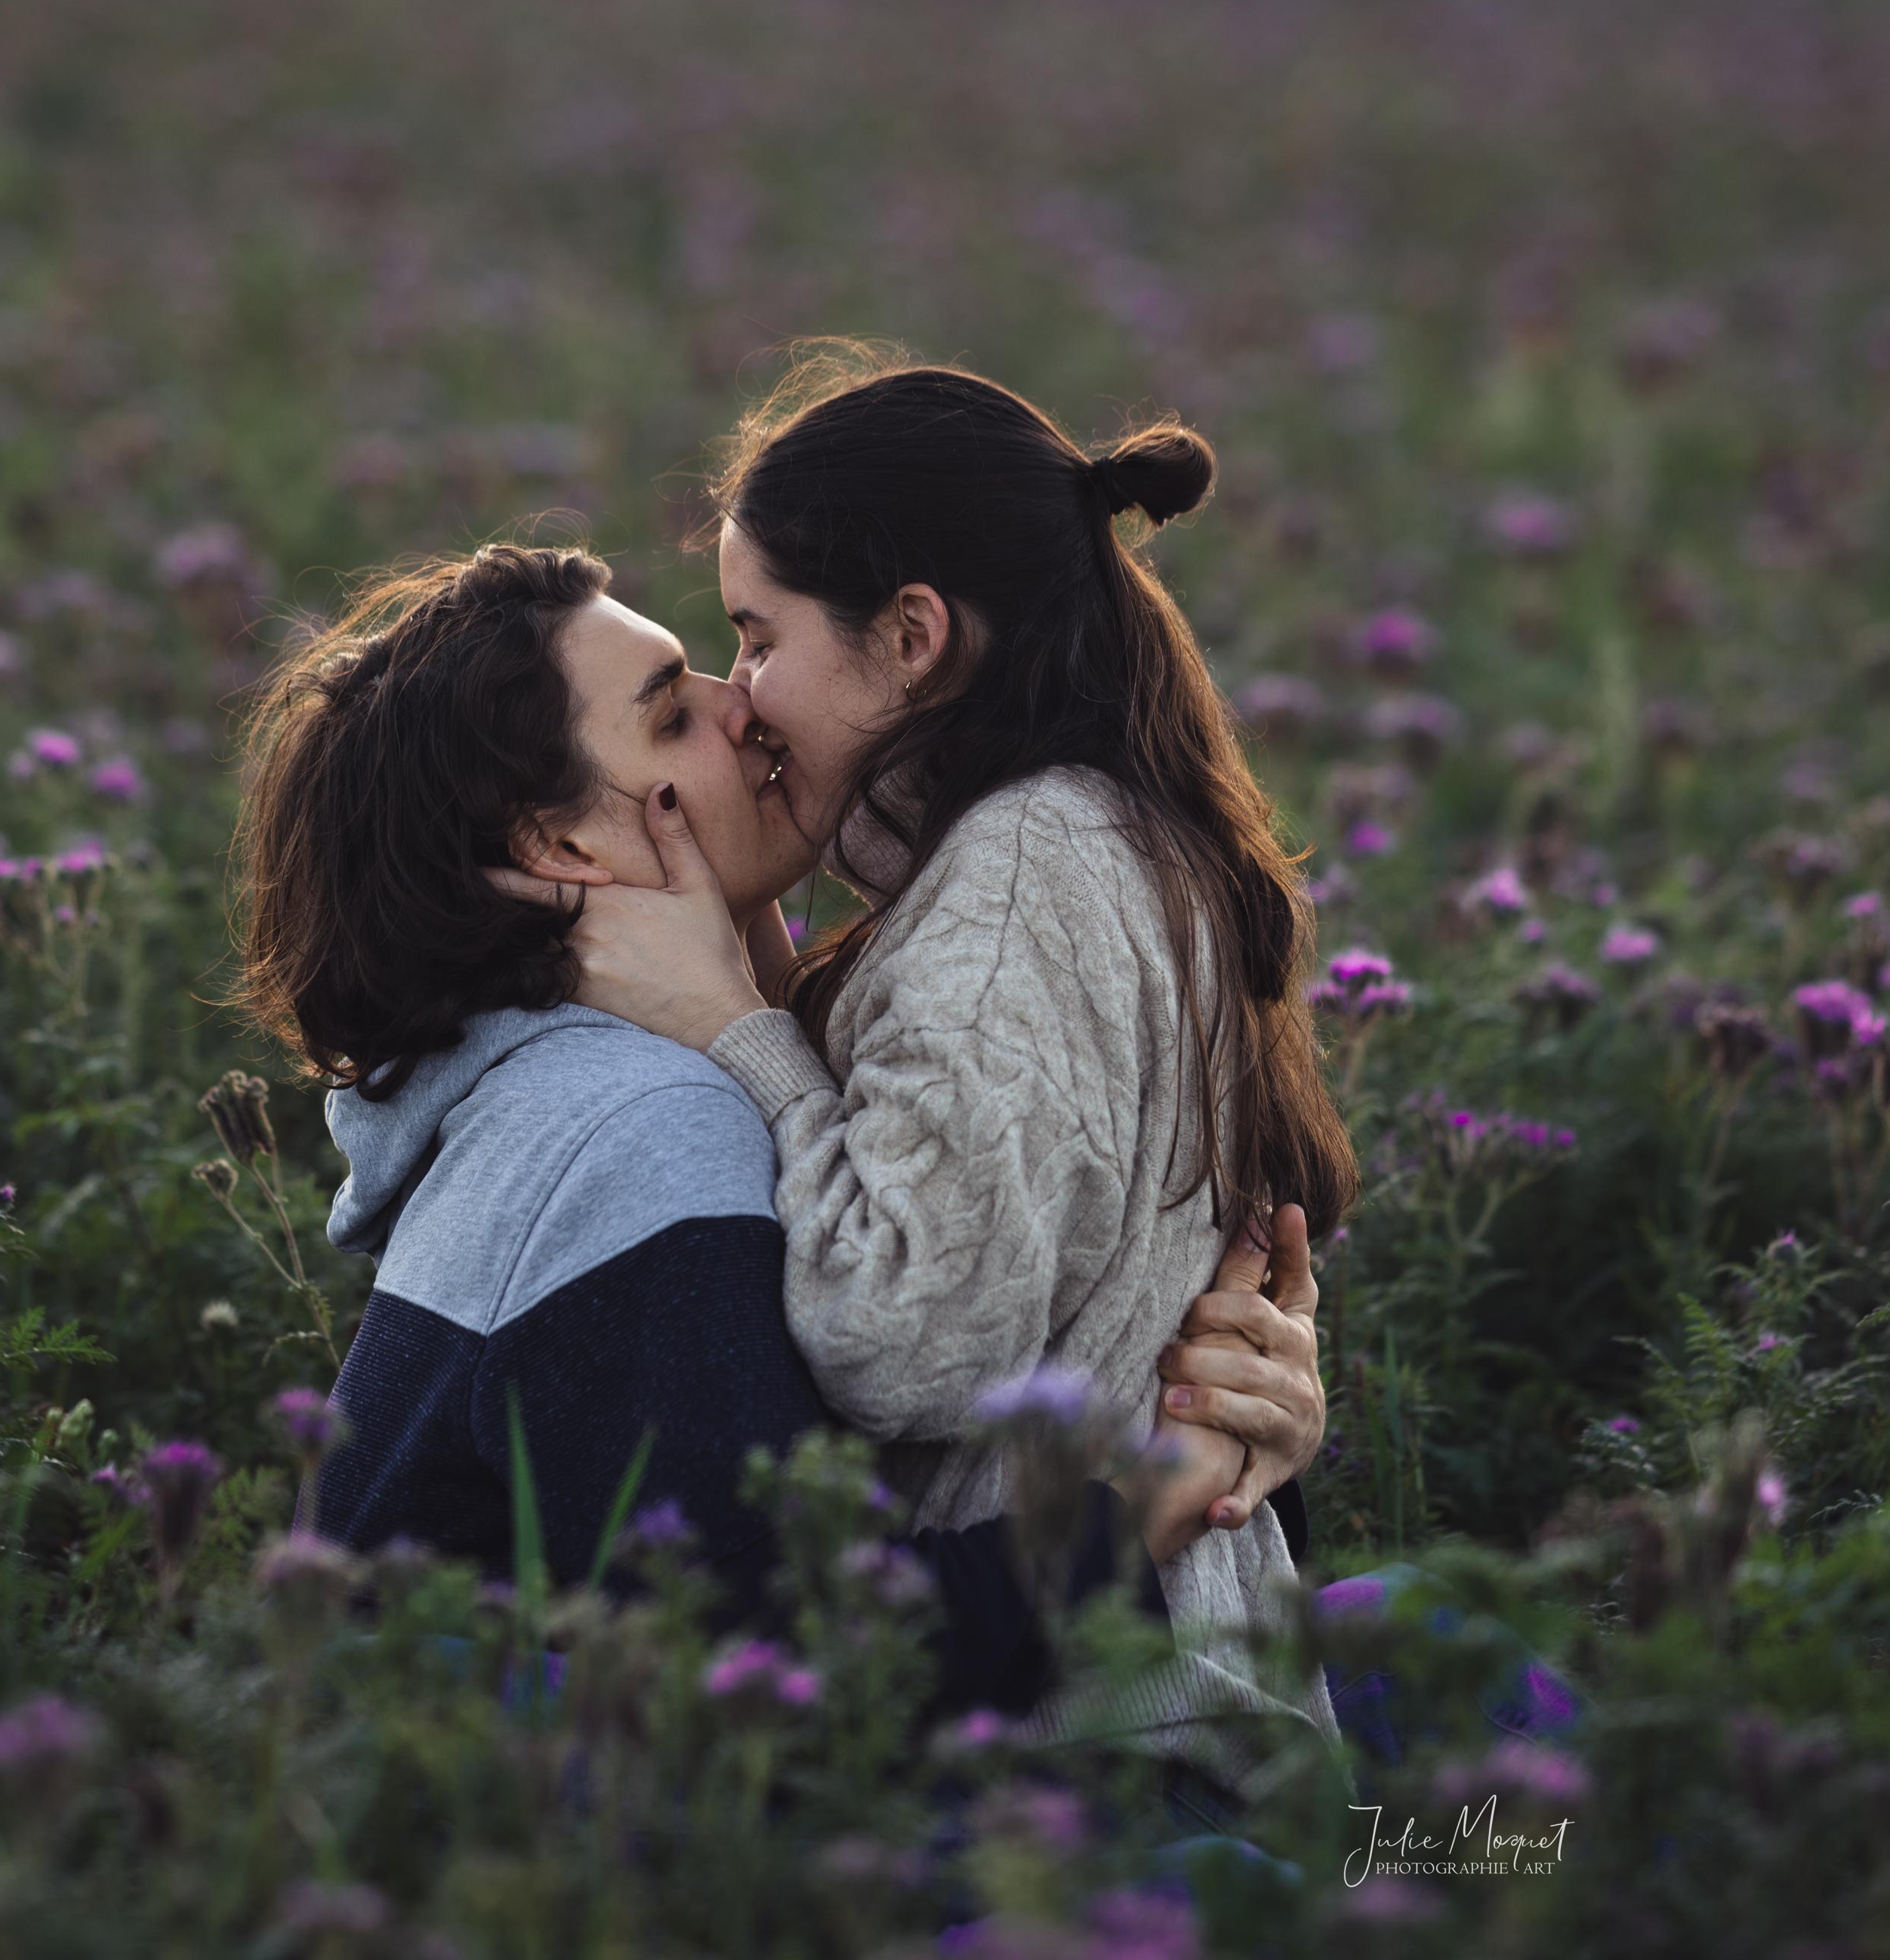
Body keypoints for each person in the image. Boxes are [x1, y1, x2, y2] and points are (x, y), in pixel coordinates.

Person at [230, 542, 1323, 1714]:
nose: (742, 706)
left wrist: (1242, 1416)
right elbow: (817, 1659)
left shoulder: (597, 1081)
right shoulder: (638, 1128)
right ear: (560, 846)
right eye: (671, 716)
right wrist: (1170, 1497)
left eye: (722, 664)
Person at [487, 347, 1360, 1784]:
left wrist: (738, 1029)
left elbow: (904, 1336)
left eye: (757, 636)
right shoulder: (1077, 842)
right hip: (1137, 1688)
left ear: (911, 638)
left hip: (1101, 1741)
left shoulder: (1025, 872)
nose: (744, 697)